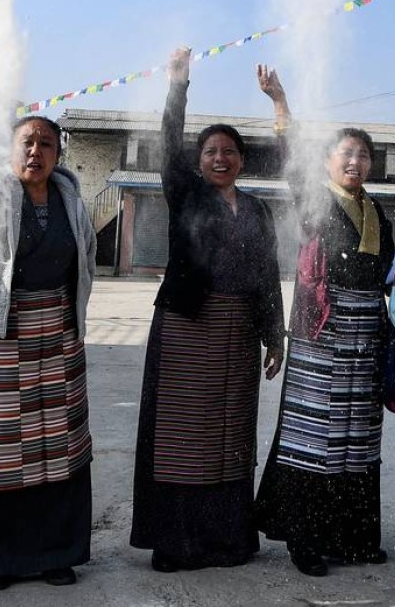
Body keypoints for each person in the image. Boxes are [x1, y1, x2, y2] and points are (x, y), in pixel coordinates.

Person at [0, 57, 97, 590]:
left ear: (58, 153)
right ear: (11, 151)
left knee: (59, 447)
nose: (35, 151)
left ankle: (54, 553)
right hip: (1, 335)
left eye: (45, 144)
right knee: (1, 450)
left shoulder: (73, 198)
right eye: (26, 142)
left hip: (57, 332)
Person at [130, 48, 286, 571]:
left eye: (229, 151)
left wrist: (275, 333)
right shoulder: (186, 193)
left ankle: (227, 541)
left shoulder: (259, 209)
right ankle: (176, 543)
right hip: (186, 328)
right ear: (198, 162)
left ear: (242, 159)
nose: (220, 158)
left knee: (231, 438)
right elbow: (169, 142)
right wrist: (178, 84)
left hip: (240, 330)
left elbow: (268, 274)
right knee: (182, 436)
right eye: (211, 151)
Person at [254, 64, 395, 577]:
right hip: (322, 329)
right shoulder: (314, 197)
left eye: (364, 155)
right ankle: (307, 540)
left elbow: (383, 267)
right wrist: (280, 100)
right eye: (347, 153)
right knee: (314, 432)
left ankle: (353, 537)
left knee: (358, 435)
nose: (357, 162)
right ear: (325, 161)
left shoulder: (376, 211)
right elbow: (288, 153)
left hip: (366, 332)